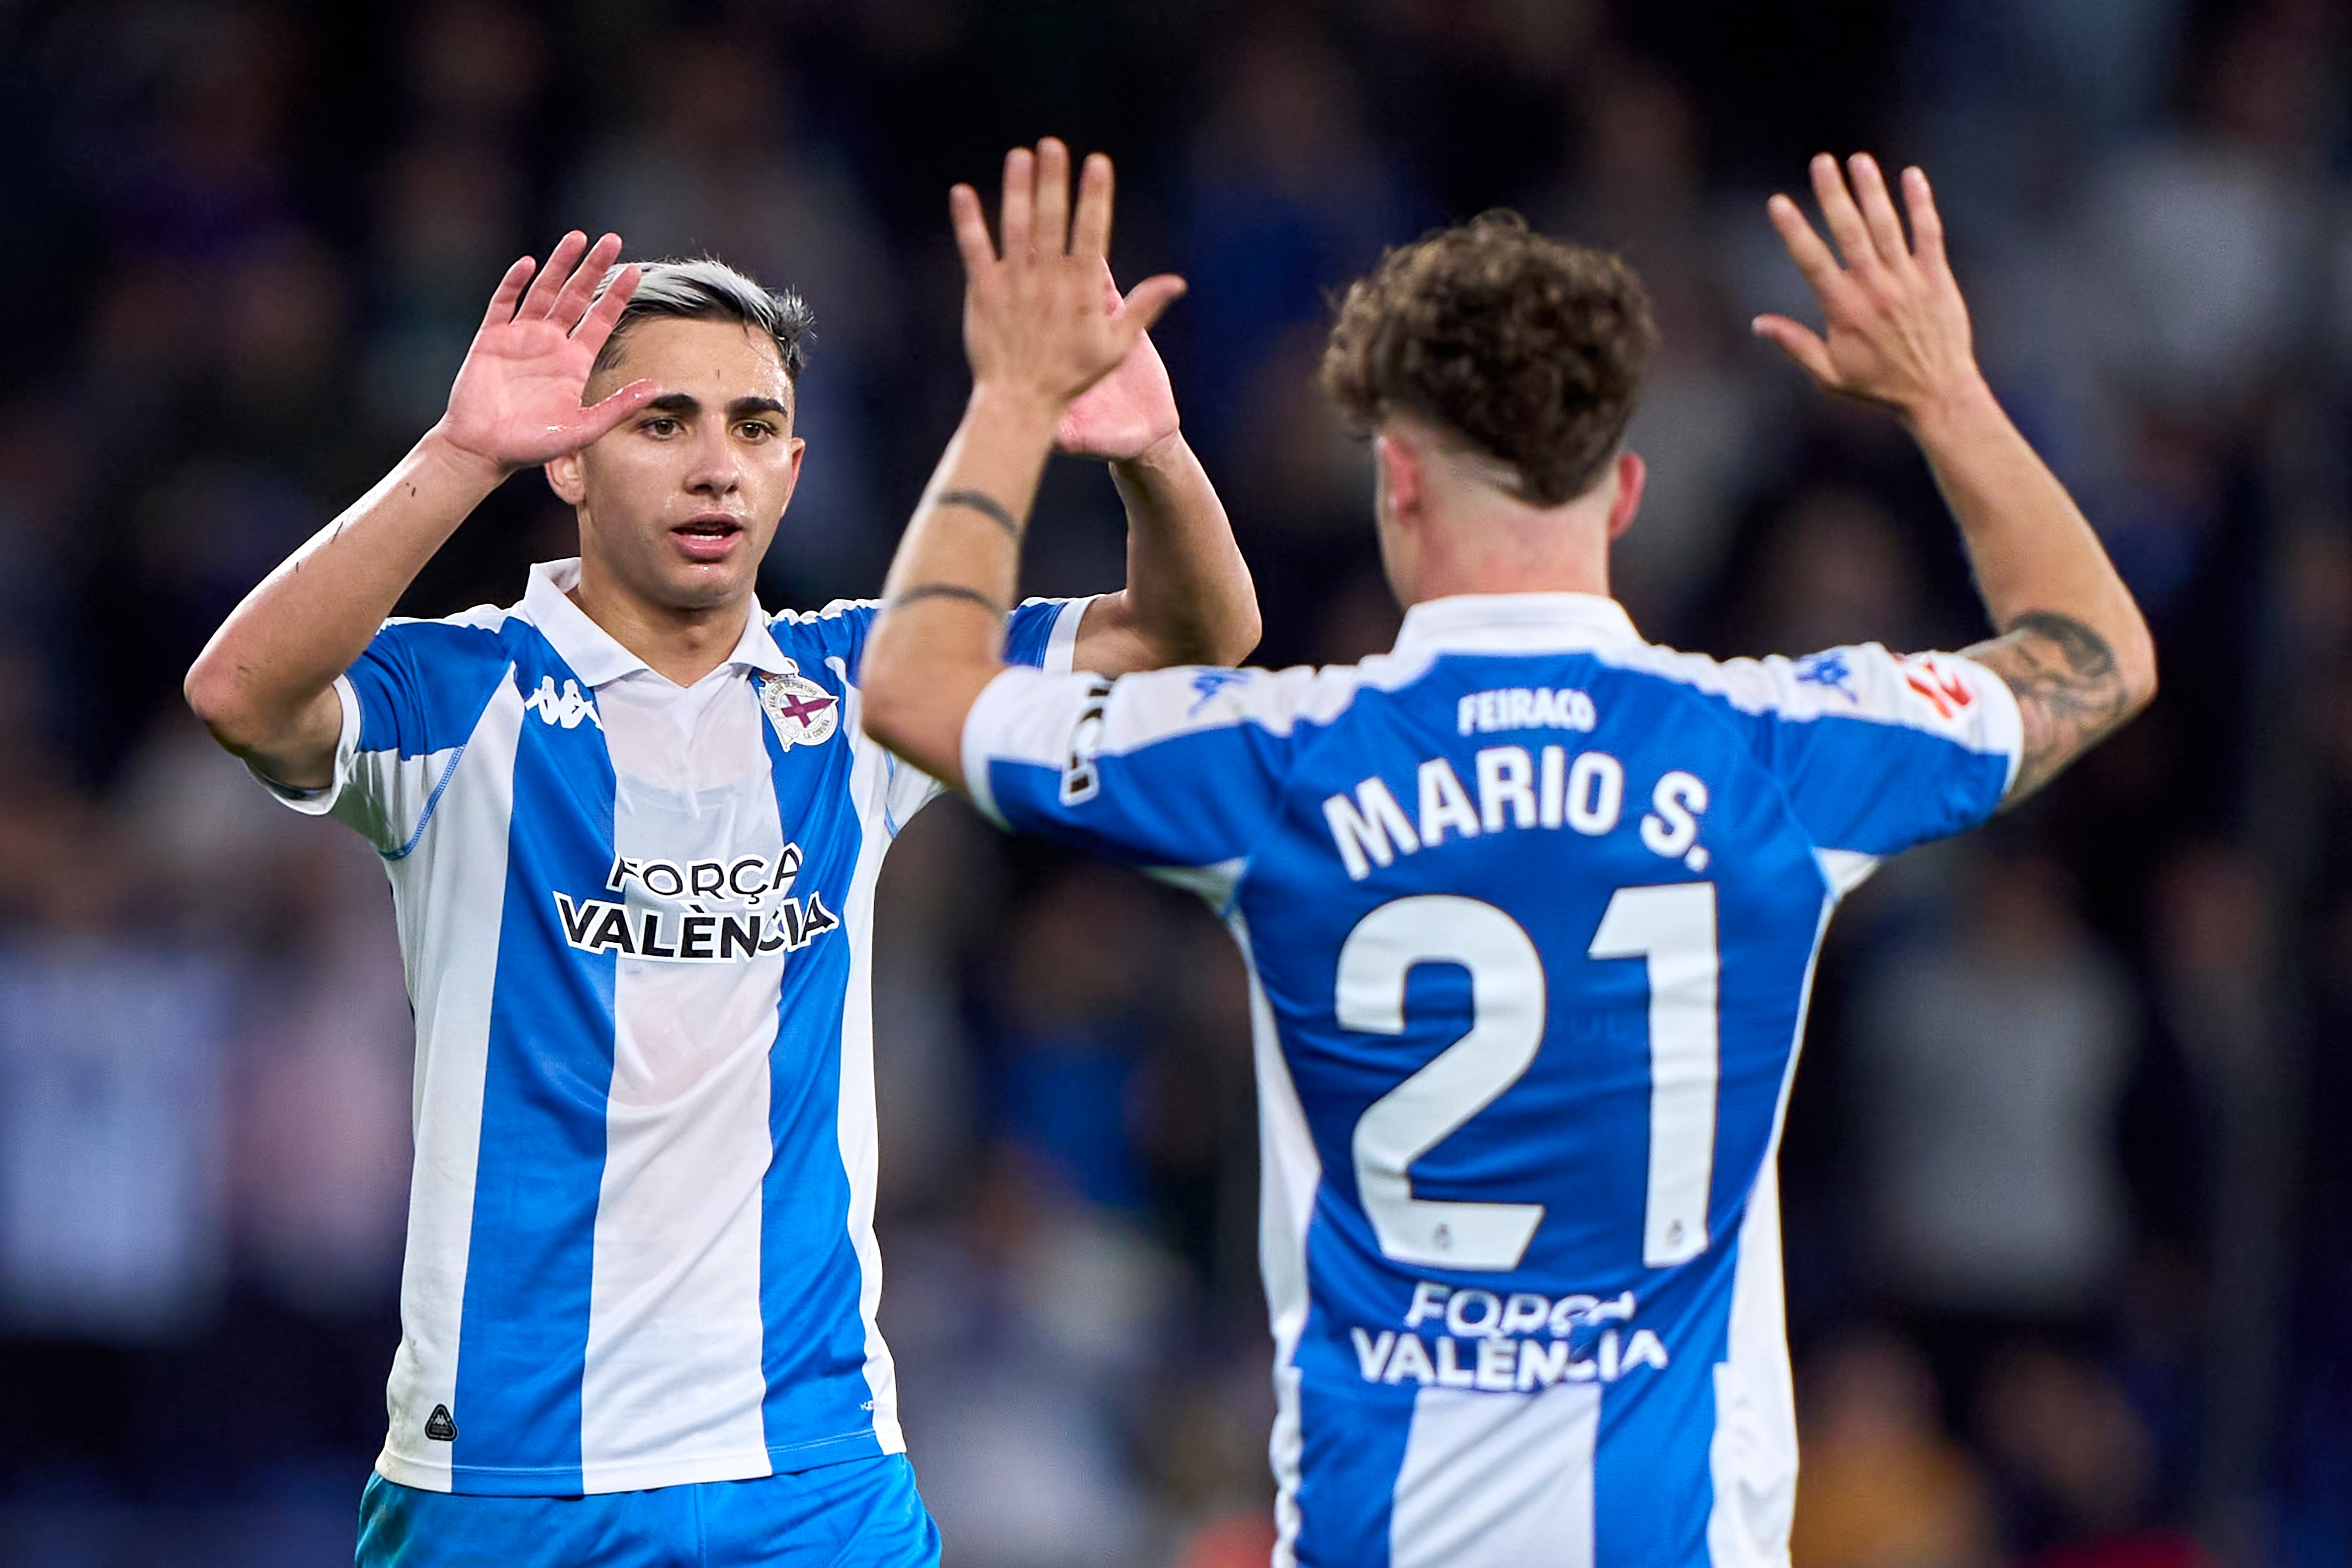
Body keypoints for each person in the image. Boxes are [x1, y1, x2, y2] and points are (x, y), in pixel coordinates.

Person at [857, 147, 2156, 1568]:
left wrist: (1015, 399)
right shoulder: (1782, 750)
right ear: (1624, 492)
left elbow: (916, 689)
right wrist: (1943, 392)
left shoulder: (1278, 757)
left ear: (1396, 481)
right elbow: (2094, 655)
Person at [182, 202, 1259, 1561]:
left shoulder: (866, 683)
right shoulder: (462, 695)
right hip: (512, 1474)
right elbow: (239, 693)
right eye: (661, 422)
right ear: (569, 458)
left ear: (795, 467)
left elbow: (1190, 636)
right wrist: (458, 457)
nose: (715, 468)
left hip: (810, 1466)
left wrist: (1150, 454)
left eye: (753, 428)